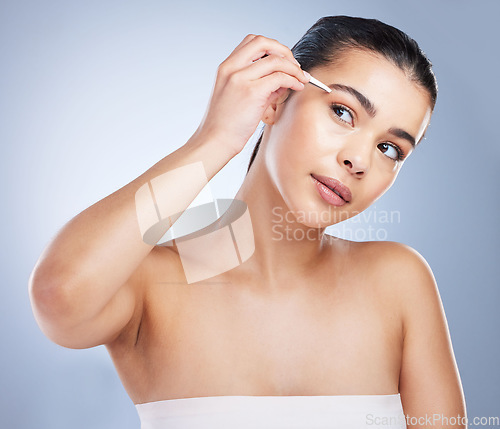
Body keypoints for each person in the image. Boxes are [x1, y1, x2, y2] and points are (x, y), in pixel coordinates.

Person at [29, 15, 467, 429]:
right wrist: (216, 138)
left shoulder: (398, 282)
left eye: (390, 149)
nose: (358, 160)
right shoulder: (152, 284)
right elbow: (59, 296)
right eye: (342, 112)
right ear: (276, 98)